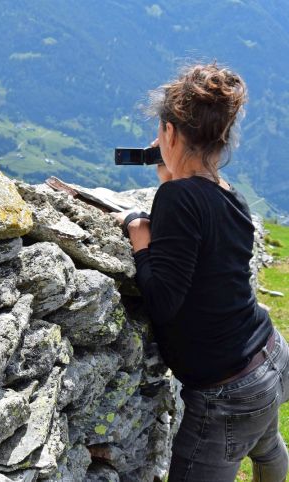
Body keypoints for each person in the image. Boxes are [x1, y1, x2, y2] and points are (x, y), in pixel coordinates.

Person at [116, 63, 289, 481]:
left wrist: (140, 236)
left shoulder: (177, 197)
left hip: (227, 389)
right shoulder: (232, 196)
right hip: (270, 356)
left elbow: (163, 301)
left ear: (169, 135)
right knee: (267, 448)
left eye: (161, 134)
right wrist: (172, 177)